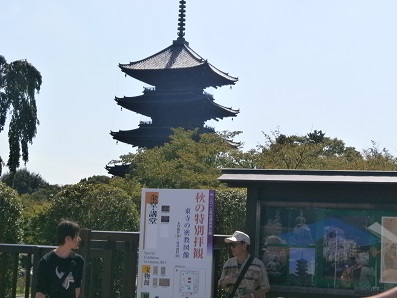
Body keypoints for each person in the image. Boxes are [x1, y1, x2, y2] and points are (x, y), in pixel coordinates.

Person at [35, 220, 84, 298]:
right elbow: (40, 292)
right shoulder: (46, 262)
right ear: (68, 238)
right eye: (77, 236)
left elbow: (77, 287)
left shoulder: (78, 261)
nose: (79, 239)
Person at [218, 231, 270, 298]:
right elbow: (221, 285)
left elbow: (265, 287)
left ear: (244, 246)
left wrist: (252, 295)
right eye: (230, 245)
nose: (231, 248)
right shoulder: (228, 264)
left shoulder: (258, 265)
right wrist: (225, 281)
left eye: (234, 245)